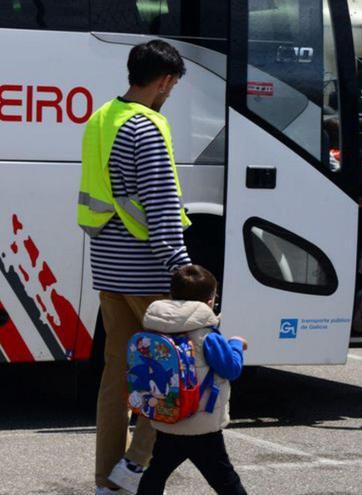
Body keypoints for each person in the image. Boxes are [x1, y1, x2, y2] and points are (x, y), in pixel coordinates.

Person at [77, 40, 192, 494]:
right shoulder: (147, 127)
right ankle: (135, 463)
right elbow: (161, 206)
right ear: (164, 80)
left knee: (116, 377)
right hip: (146, 270)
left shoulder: (101, 118)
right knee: (174, 371)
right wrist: (182, 269)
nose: (171, 94)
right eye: (173, 85)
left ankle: (107, 479)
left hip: (108, 266)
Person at [136, 265, 247, 495]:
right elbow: (231, 369)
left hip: (168, 416)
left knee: (156, 472)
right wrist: (235, 344)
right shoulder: (207, 335)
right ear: (209, 302)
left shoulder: (155, 329)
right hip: (201, 422)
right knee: (225, 479)